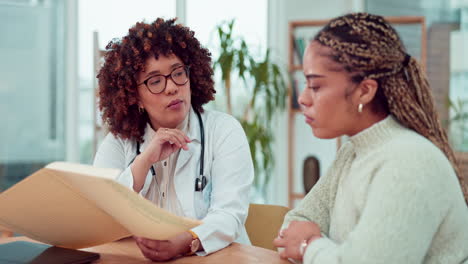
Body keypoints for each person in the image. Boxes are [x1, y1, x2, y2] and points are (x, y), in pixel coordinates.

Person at [273, 13, 468, 263]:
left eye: (316, 86)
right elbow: (293, 226)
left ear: (365, 90)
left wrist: (309, 246)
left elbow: (305, 242)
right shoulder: (352, 152)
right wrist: (323, 250)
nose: (302, 98)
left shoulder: (410, 162)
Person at [93, 18, 254, 261]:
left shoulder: (223, 131)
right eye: (155, 81)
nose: (172, 88)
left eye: (178, 73)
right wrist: (144, 161)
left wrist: (185, 241)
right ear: (134, 95)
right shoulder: (118, 143)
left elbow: (229, 215)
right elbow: (101, 210)